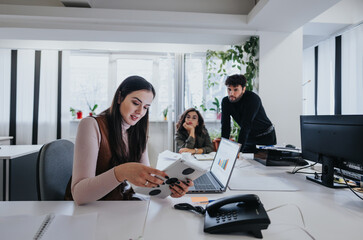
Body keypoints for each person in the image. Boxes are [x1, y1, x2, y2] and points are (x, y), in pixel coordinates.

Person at [65, 76, 192, 205]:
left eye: (146, 107)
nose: (140, 112)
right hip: (92, 210)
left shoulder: (137, 132)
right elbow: (79, 195)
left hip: (120, 206)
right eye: (136, 103)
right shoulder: (91, 124)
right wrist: (121, 172)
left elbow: (146, 183)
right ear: (120, 97)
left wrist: (170, 189)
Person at [221, 74, 276, 153]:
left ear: (243, 89)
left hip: (266, 136)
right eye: (229, 89)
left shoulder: (253, 99)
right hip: (249, 137)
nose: (231, 93)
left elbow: (246, 125)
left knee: (261, 164)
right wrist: (223, 150)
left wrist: (238, 151)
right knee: (243, 162)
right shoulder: (226, 102)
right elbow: (225, 126)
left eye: (235, 90)